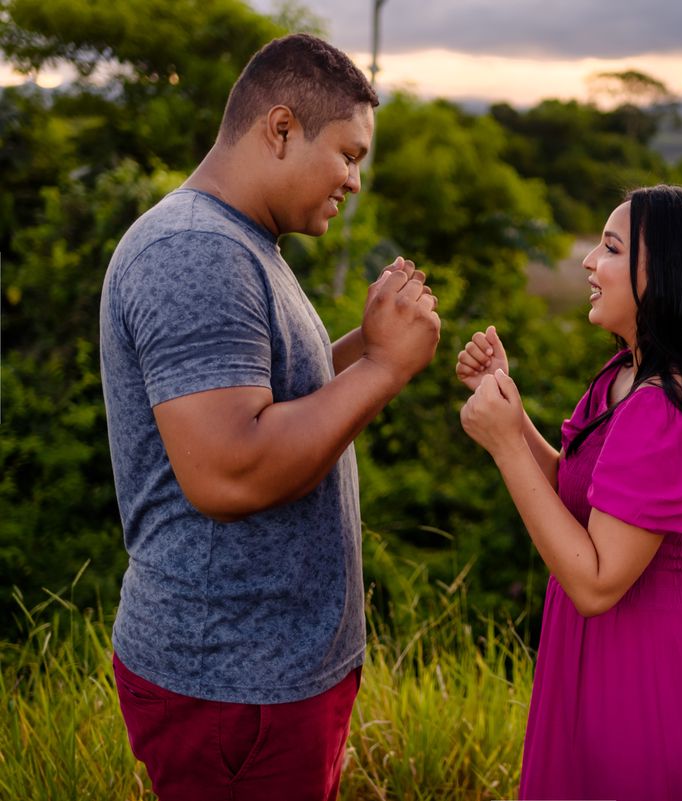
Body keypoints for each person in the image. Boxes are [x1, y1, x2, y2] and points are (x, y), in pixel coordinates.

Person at [99, 33, 440, 800]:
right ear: (281, 128)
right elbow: (230, 468)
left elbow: (281, 402)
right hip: (233, 684)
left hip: (264, 678)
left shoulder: (243, 244)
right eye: (348, 155)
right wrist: (384, 369)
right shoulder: (196, 250)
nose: (355, 180)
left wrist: (372, 341)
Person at [457, 185, 682, 800]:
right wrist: (511, 414)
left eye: (611, 248)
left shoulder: (673, 406)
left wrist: (505, 447)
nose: (589, 262)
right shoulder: (625, 376)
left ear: (667, 273)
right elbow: (577, 501)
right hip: (595, 655)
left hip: (649, 670)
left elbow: (598, 581)